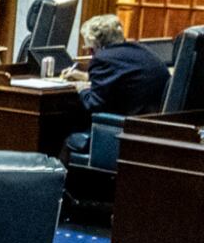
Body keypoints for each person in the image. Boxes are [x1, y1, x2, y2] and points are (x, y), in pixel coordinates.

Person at [63, 14, 169, 151]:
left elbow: (93, 104)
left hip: (121, 130)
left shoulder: (102, 59)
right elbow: (123, 78)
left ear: (95, 44)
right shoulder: (141, 50)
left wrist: (81, 88)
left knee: (63, 130)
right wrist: (85, 77)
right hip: (151, 128)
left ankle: (57, 171)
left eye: (89, 48)